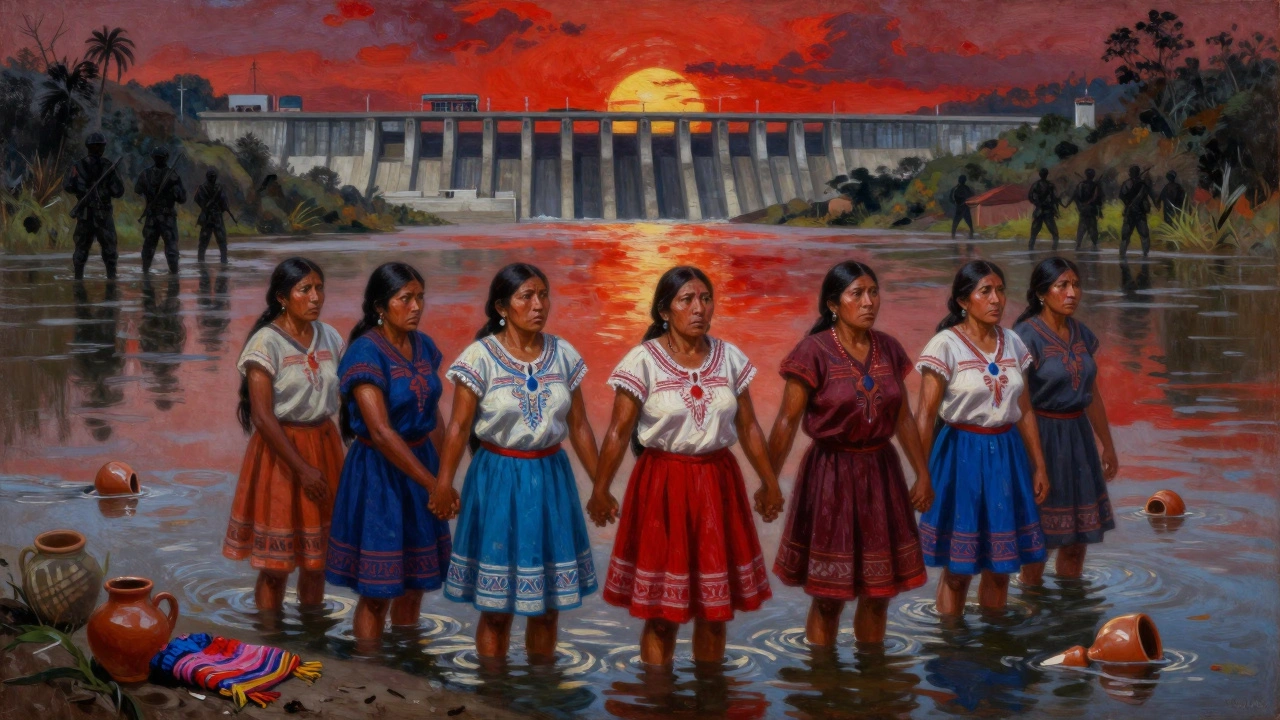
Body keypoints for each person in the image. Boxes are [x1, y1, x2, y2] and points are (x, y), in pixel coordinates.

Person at [587, 266, 784, 666]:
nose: (700, 309)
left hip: (718, 485)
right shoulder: (642, 361)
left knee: (715, 612)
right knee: (662, 614)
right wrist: (600, 489)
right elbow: (617, 432)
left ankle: (710, 699)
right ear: (664, 310)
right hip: (663, 486)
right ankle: (659, 699)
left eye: (706, 299)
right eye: (687, 300)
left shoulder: (729, 357)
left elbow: (748, 427)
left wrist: (769, 482)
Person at [437, 263, 600, 664]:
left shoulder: (563, 353)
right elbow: (458, 429)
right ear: (501, 307)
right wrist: (443, 484)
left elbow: (579, 428)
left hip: (551, 480)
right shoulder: (479, 357)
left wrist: (602, 485)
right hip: (497, 480)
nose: (538, 304)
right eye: (526, 296)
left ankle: (538, 696)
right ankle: (494, 696)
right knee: (496, 608)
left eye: (543, 295)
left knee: (547, 604)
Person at [767, 261, 933, 647]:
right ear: (833, 304)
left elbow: (904, 418)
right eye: (856, 294)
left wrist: (922, 474)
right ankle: (825, 683)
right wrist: (769, 482)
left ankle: (872, 683)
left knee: (879, 594)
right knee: (829, 597)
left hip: (882, 474)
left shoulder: (888, 348)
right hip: (831, 477)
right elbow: (785, 424)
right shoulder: (812, 351)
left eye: (873, 292)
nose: (868, 302)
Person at [325, 263, 454, 649]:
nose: (417, 306)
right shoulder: (365, 351)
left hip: (422, 469)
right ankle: (369, 667)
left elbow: (433, 415)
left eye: (420, 297)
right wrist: (434, 484)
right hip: (379, 477)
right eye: (406, 299)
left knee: (416, 583)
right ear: (382, 306)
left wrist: (445, 476)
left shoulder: (424, 346)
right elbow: (380, 432)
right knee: (378, 591)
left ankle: (407, 659)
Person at [914, 260, 1049, 615]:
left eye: (1001, 290)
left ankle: (993, 644)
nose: (996, 300)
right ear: (963, 300)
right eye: (985, 291)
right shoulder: (943, 346)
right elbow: (926, 415)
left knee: (1001, 566)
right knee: (958, 570)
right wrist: (921, 474)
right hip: (960, 457)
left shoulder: (1014, 342)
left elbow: (1026, 409)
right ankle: (952, 642)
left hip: (1008, 455)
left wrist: (1039, 466)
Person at [224, 258, 344, 615]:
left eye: (319, 288)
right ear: (282, 297)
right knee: (275, 568)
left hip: (325, 447)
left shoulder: (331, 336)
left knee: (318, 562)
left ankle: (312, 634)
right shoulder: (265, 343)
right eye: (304, 289)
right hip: (281, 454)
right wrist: (303, 469)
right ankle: (270, 640)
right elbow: (262, 416)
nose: (315, 297)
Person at [1014, 258, 1118, 584]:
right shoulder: (1024, 337)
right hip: (1041, 439)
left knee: (1076, 542)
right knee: (1039, 543)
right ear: (1043, 293)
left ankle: (1070, 616)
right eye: (1063, 286)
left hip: (1079, 440)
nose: (1072, 293)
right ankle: (1033, 614)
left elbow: (1093, 394)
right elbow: (1019, 402)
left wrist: (1108, 446)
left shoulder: (1082, 334)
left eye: (1076, 285)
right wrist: (1036, 463)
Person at [65, 132, 124, 280]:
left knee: (81, 249)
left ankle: (78, 280)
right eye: (102, 146)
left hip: (85, 215)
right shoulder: (108, 166)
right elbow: (118, 191)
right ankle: (111, 281)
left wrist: (82, 190)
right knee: (109, 250)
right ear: (101, 147)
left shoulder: (77, 166)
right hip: (103, 215)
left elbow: (68, 186)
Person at [135, 146, 187, 274]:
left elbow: (137, 190)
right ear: (166, 158)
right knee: (170, 248)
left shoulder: (145, 174)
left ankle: (146, 274)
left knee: (150, 247)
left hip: (153, 217)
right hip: (166, 218)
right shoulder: (172, 175)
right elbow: (182, 198)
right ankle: (172, 275)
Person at [195, 168, 231, 264]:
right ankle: (223, 261)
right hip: (216, 218)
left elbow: (197, 200)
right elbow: (225, 203)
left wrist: (205, 207)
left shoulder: (202, 188)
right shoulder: (219, 188)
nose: (212, 178)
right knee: (221, 241)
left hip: (207, 217)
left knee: (204, 242)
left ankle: (201, 261)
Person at [1118, 166, 1154, 258]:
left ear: (1130, 173)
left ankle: (1122, 255)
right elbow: (1149, 194)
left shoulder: (1126, 183)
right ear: (1138, 173)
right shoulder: (1143, 184)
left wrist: (1128, 204)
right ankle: (1145, 255)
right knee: (1144, 236)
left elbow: (1121, 196)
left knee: (1125, 237)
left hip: (1129, 213)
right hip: (1140, 213)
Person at [1027, 168, 1061, 250]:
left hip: (1039, 211)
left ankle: (1030, 251)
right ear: (1047, 174)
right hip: (1048, 211)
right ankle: (1054, 251)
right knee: (1055, 234)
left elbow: (1030, 197)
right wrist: (1056, 210)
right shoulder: (1050, 185)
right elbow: (1054, 199)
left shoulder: (1036, 185)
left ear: (1040, 175)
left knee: (1033, 234)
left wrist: (1037, 203)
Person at [1071, 169, 1103, 251]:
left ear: (1086, 175)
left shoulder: (1081, 185)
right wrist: (1100, 211)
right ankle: (1094, 246)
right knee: (1093, 228)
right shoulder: (1096, 185)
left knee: (1081, 227)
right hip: (1091, 210)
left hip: (1083, 210)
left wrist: (1080, 207)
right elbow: (1099, 199)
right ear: (1093, 175)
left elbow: (1076, 197)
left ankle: (1078, 245)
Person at [949, 175, 975, 239]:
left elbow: (950, 198)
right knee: (969, 223)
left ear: (959, 180)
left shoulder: (955, 188)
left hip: (960, 207)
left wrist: (955, 203)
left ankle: (953, 236)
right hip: (965, 208)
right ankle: (971, 236)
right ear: (965, 180)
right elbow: (971, 196)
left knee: (955, 223)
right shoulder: (967, 188)